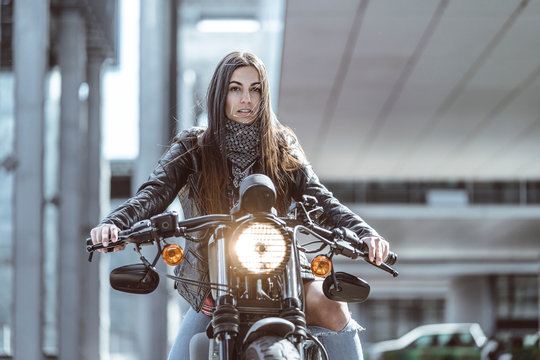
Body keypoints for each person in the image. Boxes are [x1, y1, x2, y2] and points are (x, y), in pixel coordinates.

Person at [90, 51, 390, 359]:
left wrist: (364, 233)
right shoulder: (193, 147)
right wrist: (116, 223)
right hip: (212, 278)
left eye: (255, 89)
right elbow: (154, 192)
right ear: (221, 93)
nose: (246, 99)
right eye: (236, 88)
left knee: (333, 305)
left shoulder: (282, 145)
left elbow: (321, 197)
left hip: (280, 270)